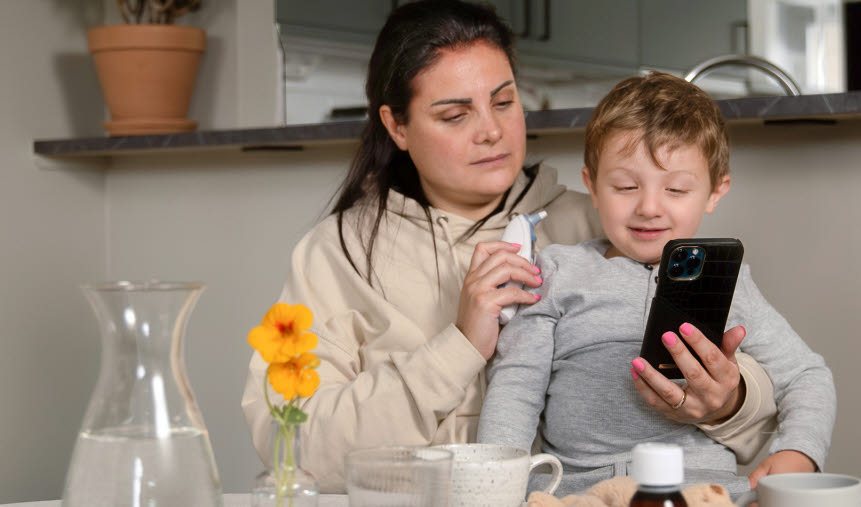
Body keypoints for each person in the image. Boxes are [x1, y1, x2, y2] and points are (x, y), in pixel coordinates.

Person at [242, 0, 778, 493]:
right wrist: (458, 347)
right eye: (455, 115)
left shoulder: (612, 225)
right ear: (396, 125)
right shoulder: (337, 254)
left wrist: (728, 401)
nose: (492, 131)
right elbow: (292, 449)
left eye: (504, 101)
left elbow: (766, 413)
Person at [477, 71, 836, 498]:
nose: (649, 207)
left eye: (677, 189)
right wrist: (494, 489)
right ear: (591, 185)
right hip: (583, 489)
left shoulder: (730, 283)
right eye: (626, 186)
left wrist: (799, 451)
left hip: (707, 490)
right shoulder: (556, 273)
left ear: (715, 192)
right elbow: (514, 391)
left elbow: (807, 374)